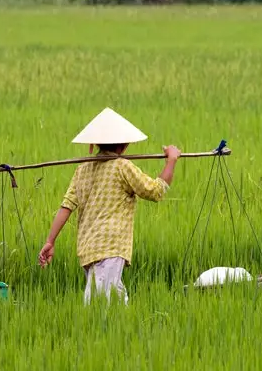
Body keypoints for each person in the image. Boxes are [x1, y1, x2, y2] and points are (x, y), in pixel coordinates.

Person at [37, 107, 181, 305]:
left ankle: (123, 332)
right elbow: (155, 191)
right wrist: (171, 161)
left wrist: (50, 240)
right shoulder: (122, 166)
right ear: (124, 145)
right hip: (111, 247)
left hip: (88, 248)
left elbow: (66, 207)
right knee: (99, 304)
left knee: (114, 299)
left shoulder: (82, 169)